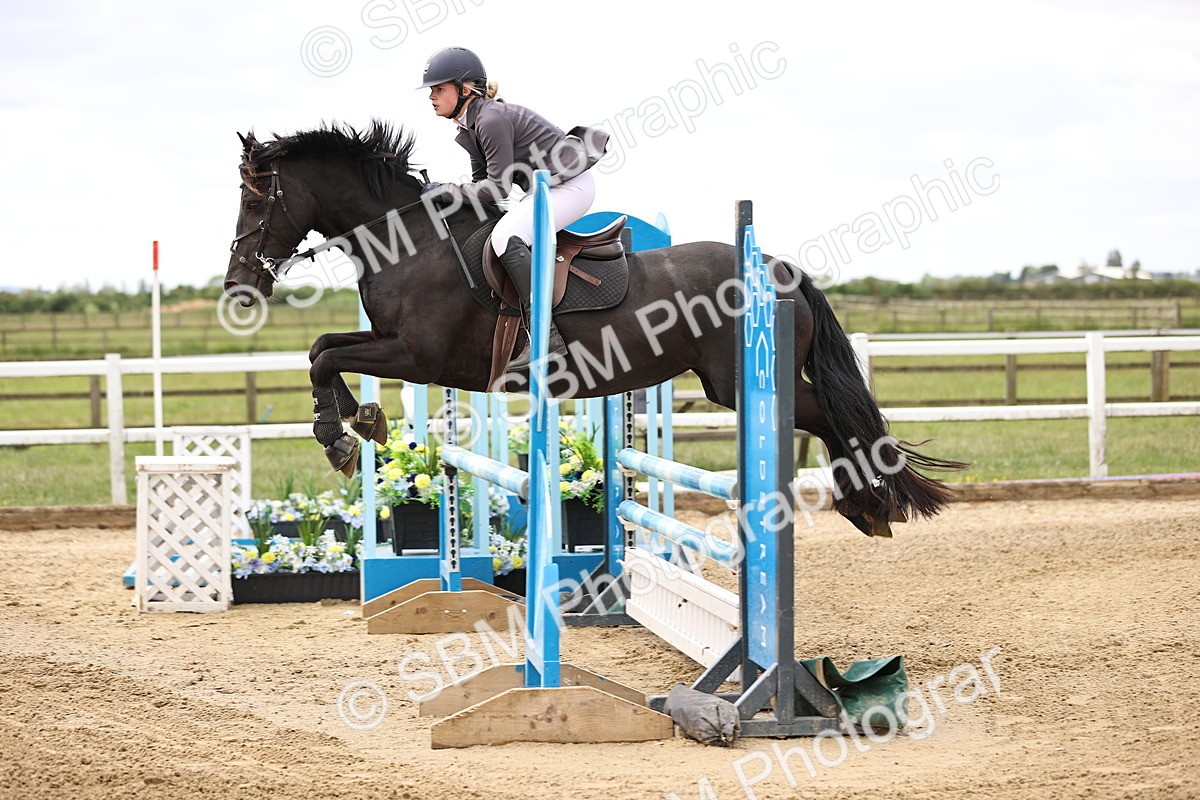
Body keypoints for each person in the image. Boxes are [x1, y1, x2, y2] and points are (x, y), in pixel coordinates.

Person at [418, 46, 607, 370]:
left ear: (465, 90)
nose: (432, 97)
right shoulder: (470, 127)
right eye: (432, 91)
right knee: (498, 230)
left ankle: (548, 339)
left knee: (506, 237)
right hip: (550, 188)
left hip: (570, 186)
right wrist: (445, 199)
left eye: (439, 89)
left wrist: (448, 190)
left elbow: (497, 188)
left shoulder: (490, 120)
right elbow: (482, 188)